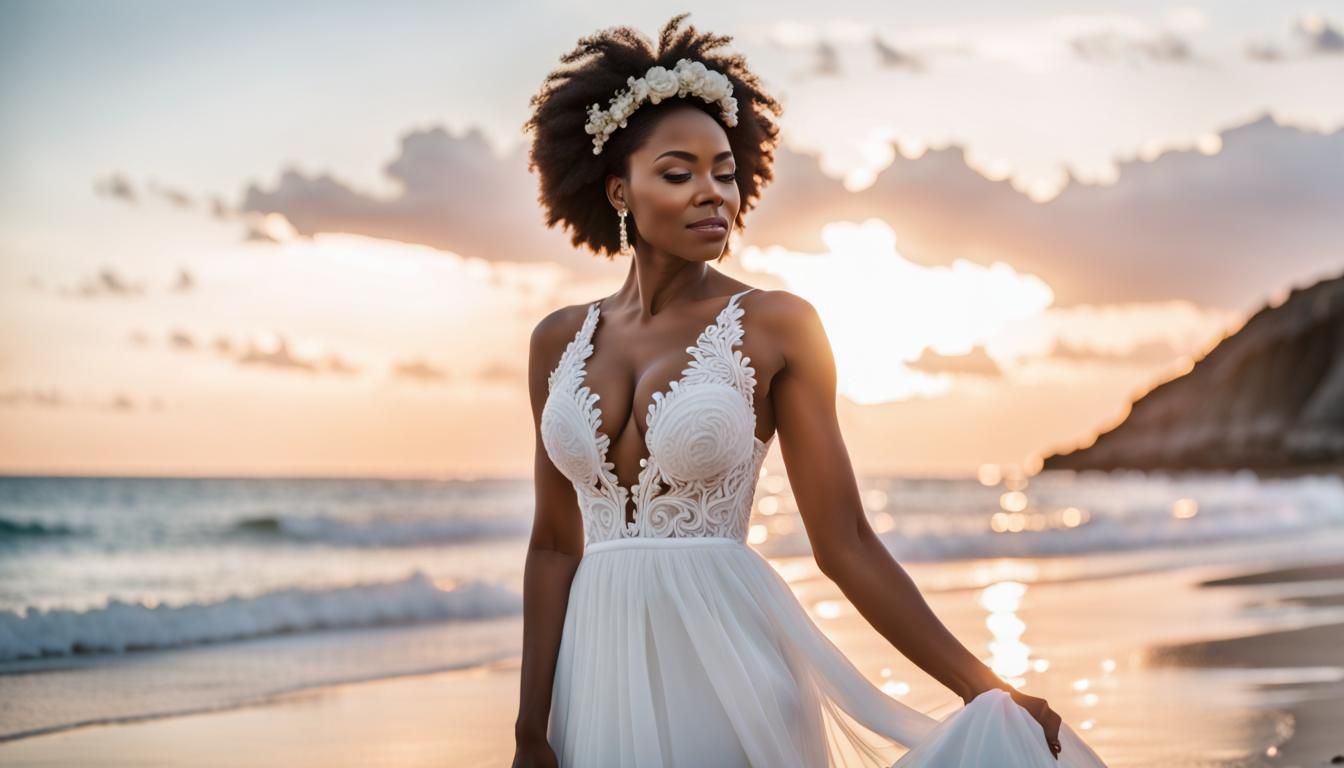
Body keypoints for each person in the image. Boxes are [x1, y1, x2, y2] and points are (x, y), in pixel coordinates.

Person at [512, 13, 1108, 767]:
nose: (713, 196)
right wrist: (531, 729)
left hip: (730, 662)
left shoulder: (777, 327)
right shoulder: (555, 341)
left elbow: (845, 542)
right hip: (593, 674)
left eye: (724, 173)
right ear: (617, 190)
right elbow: (554, 546)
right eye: (678, 173)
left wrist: (981, 686)